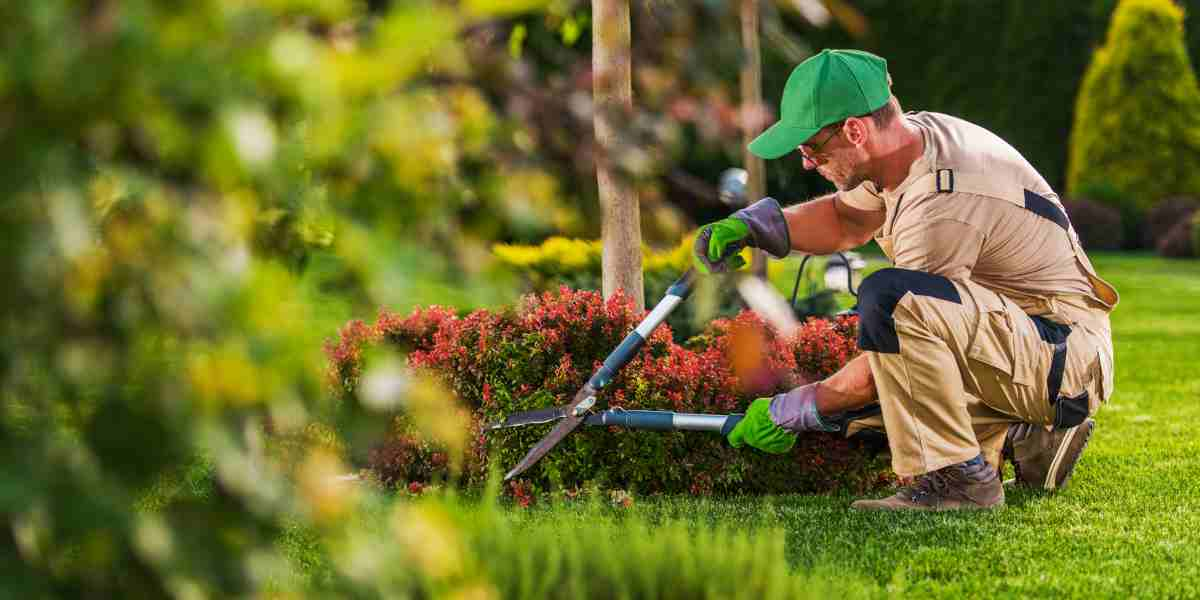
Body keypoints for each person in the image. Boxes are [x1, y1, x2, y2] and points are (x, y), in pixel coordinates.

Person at [694, 49, 1118, 511]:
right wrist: (759, 227)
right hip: (1029, 337)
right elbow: (846, 220)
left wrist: (793, 410)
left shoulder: (943, 199)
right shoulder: (906, 145)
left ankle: (961, 482)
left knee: (888, 309)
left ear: (855, 130)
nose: (807, 164)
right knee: (877, 407)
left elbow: (890, 349)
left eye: (811, 148)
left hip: (1063, 356)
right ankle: (1029, 436)